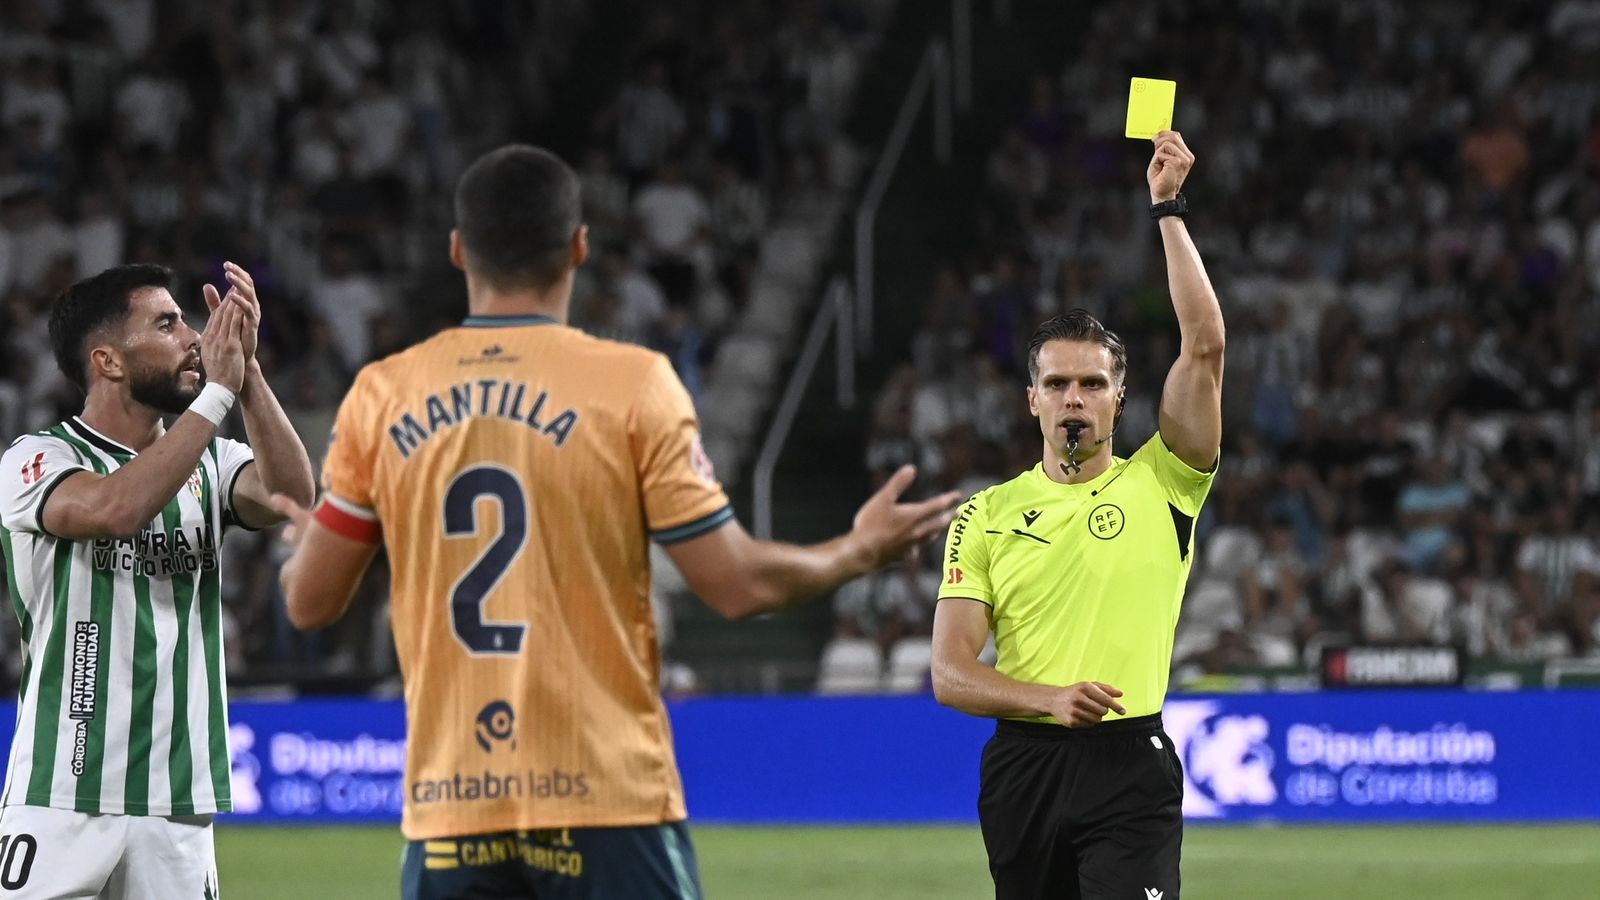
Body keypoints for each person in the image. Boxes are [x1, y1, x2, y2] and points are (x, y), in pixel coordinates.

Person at [267, 144, 959, 900]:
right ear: (579, 247)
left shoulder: (382, 393)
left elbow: (308, 603)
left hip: (451, 808)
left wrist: (308, 546)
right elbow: (735, 585)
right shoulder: (633, 386)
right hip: (604, 797)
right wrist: (857, 550)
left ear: (459, 250)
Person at [930, 131, 1223, 900]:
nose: (1074, 398)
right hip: (1024, 768)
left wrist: (1168, 208)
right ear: (1032, 398)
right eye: (1057, 383)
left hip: (1131, 766)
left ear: (1119, 396)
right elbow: (951, 673)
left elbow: (1205, 346)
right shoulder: (984, 516)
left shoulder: (1167, 482)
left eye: (1092, 384)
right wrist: (1048, 700)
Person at [0, 262, 314, 898]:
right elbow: (114, 510)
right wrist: (216, 396)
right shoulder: (38, 458)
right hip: (63, 790)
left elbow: (292, 495)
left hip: (178, 799)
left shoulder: (212, 463)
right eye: (167, 324)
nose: (193, 338)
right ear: (108, 361)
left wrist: (245, 373)